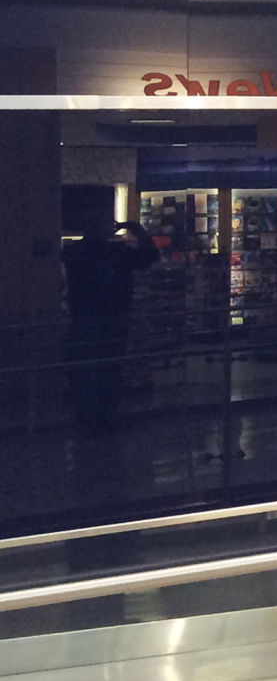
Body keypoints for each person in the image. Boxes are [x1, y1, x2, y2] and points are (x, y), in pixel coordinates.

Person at [61, 215, 159, 567]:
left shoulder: (75, 254)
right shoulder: (115, 256)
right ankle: (101, 418)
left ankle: (91, 419)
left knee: (90, 373)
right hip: (110, 322)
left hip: (86, 323)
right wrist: (136, 231)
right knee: (106, 372)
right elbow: (149, 259)